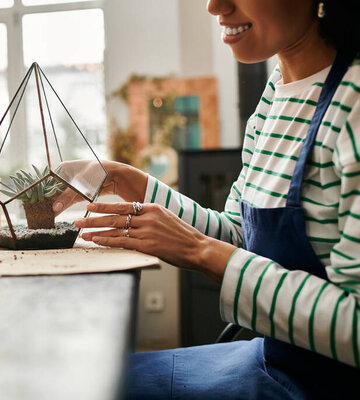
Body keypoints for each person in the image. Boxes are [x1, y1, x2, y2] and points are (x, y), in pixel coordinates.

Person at [54, 0, 360, 398]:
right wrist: (132, 182)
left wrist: (200, 251)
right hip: (274, 360)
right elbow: (239, 236)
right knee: (85, 378)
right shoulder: (274, 93)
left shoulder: (353, 107)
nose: (216, 6)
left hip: (321, 387)